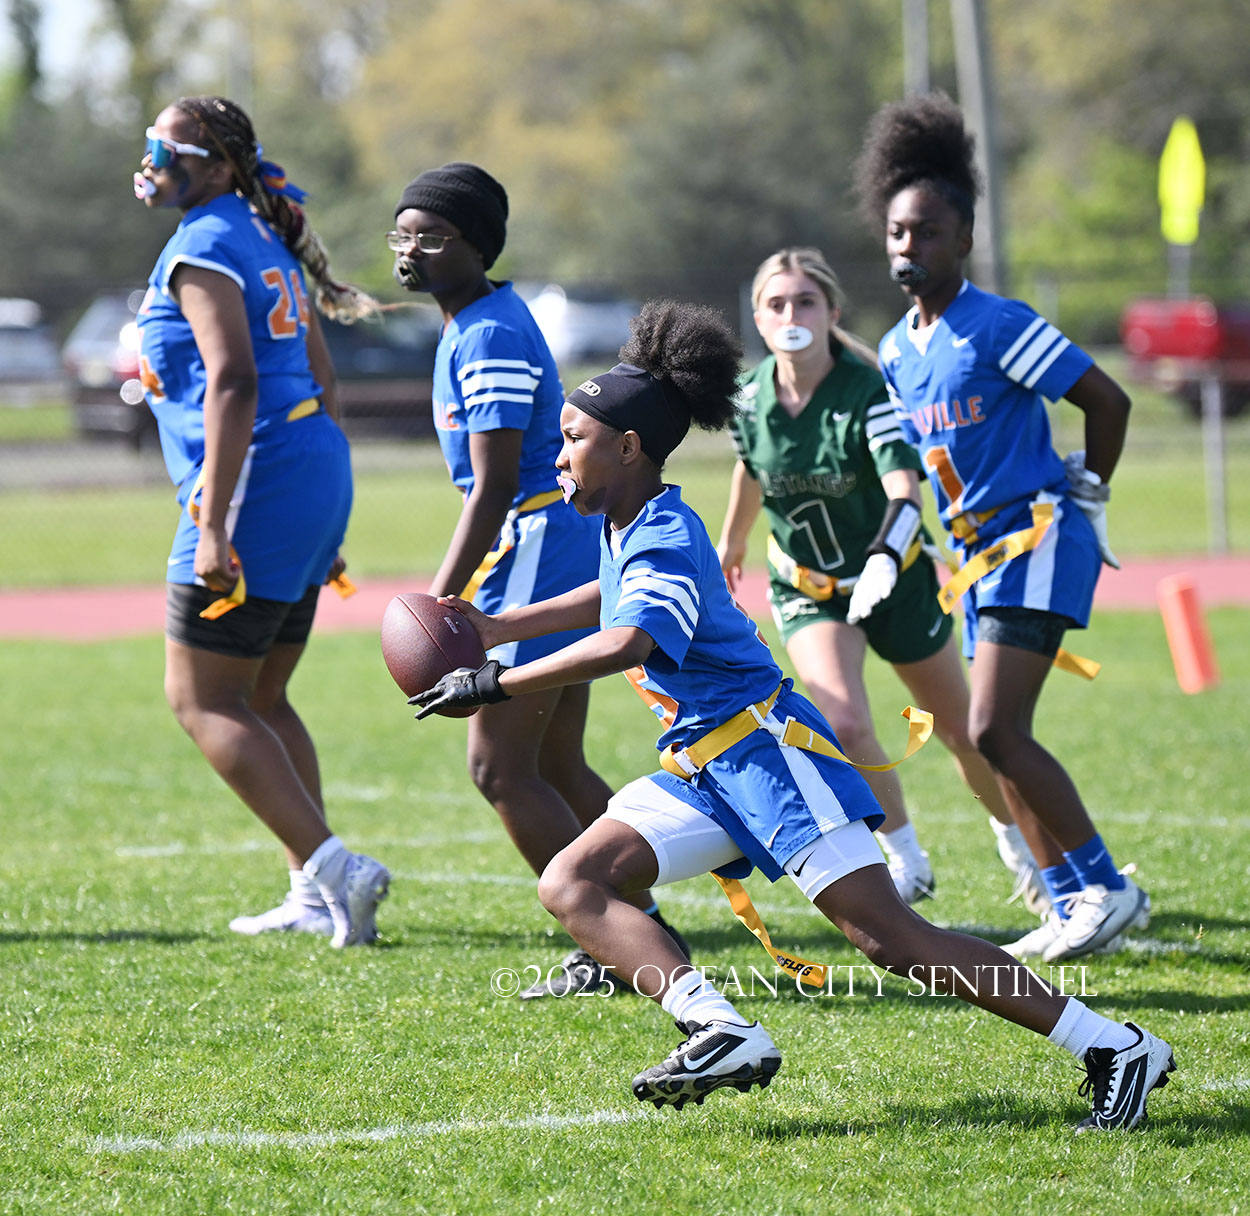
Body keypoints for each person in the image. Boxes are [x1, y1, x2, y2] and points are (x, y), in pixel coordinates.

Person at [409, 298, 1175, 1131]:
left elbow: (629, 639)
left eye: (572, 438)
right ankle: (719, 1029)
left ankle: (1113, 1045)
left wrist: (497, 683)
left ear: (628, 448)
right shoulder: (627, 521)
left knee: (890, 939)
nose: (557, 455)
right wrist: (500, 627)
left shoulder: (661, 532)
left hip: (769, 758)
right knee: (572, 881)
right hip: (706, 767)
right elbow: (610, 596)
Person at [852, 91, 1149, 962]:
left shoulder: (998, 323)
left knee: (991, 731)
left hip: (1037, 538)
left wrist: (1091, 487)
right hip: (975, 559)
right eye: (898, 233)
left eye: (928, 232)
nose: (909, 247)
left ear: (965, 239)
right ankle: (1066, 903)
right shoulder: (898, 348)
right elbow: (918, 462)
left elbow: (1108, 399)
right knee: (999, 736)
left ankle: (1107, 888)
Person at [388, 163, 686, 996]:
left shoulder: (486, 331)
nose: (411, 250)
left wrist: (440, 599)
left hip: (534, 541)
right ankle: (639, 921)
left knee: (500, 768)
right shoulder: (474, 320)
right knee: (555, 759)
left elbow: (492, 485)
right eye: (402, 234)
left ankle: (614, 937)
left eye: (432, 236)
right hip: (547, 538)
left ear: (477, 246)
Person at [716, 246, 1044, 911]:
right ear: (758, 317)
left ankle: (1023, 851)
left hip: (895, 582)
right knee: (843, 722)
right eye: (776, 304)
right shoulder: (747, 398)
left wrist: (885, 558)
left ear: (832, 312)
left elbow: (904, 489)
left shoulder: (867, 391)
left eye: (805, 301)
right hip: (809, 587)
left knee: (963, 731)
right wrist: (733, 539)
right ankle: (907, 861)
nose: (791, 315)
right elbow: (751, 467)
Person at [133, 95, 389, 947]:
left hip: (258, 476)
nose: (150, 160)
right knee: (264, 695)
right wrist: (320, 513)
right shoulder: (255, 234)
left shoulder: (206, 242)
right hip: (308, 468)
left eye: (165, 148)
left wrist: (214, 525)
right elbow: (323, 377)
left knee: (200, 697)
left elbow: (235, 380)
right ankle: (312, 893)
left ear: (215, 167)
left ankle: (338, 870)